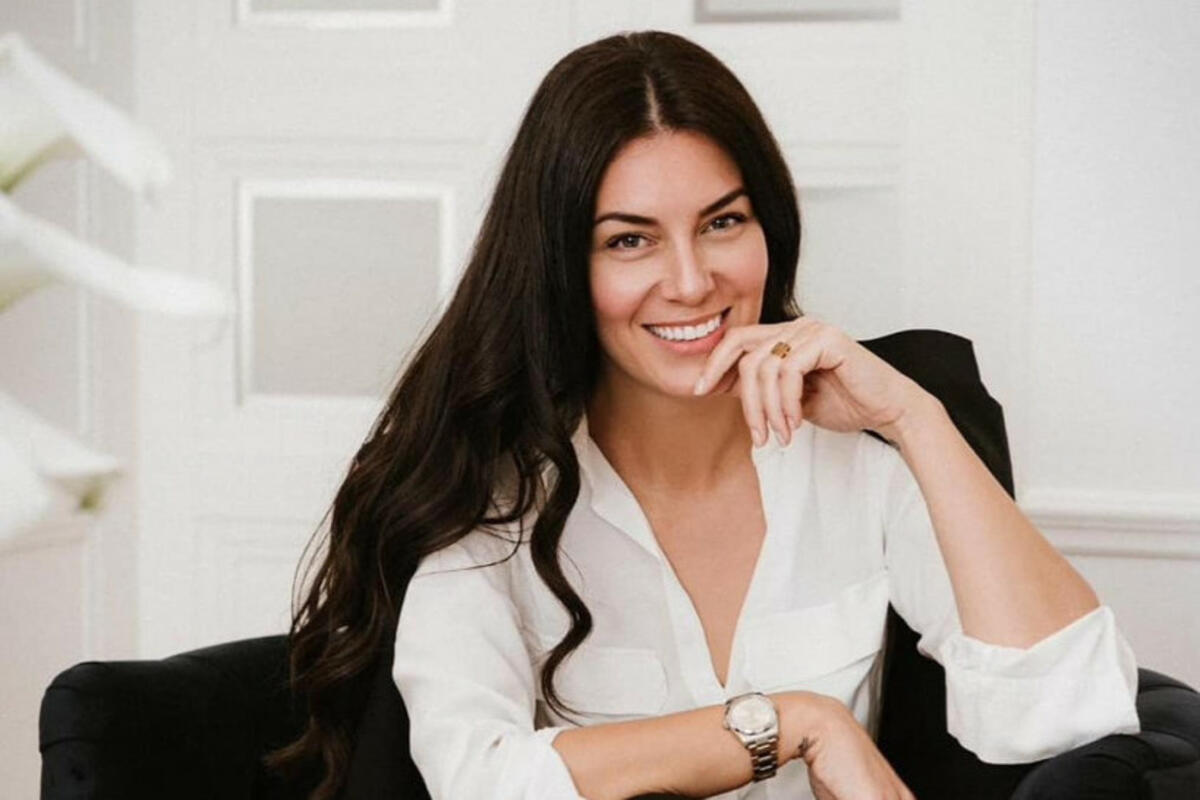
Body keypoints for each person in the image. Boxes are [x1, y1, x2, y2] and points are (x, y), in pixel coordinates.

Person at [268, 30, 1141, 800]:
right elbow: (482, 778)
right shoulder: (490, 497)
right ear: (561, 265)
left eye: (722, 222)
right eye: (629, 239)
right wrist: (795, 724)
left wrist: (915, 417)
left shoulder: (858, 463)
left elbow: (1064, 710)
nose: (691, 282)